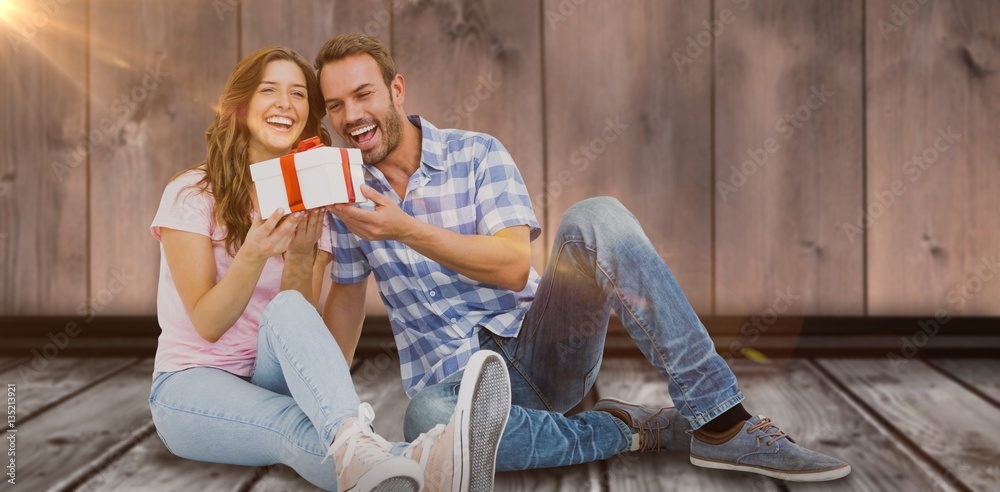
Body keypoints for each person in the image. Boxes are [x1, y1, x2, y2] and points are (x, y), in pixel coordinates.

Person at [314, 33, 851, 482]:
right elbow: (345, 300)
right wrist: (327, 418)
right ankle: (634, 428)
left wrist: (404, 228)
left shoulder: (476, 153)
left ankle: (721, 420)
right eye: (336, 105)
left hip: (541, 352)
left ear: (396, 89)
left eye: (364, 94)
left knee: (596, 216)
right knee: (426, 419)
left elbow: (508, 264)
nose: (352, 115)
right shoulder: (343, 194)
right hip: (453, 386)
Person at [147, 46, 512, 492]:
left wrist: (300, 259)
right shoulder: (192, 193)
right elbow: (207, 323)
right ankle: (418, 464)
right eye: (269, 91)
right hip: (191, 386)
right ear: (239, 108)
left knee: (287, 312)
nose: (285, 103)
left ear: (308, 116)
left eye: (298, 94)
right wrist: (254, 253)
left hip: (272, 378)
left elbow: (296, 324)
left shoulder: (316, 204)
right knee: (295, 428)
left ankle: (390, 466)